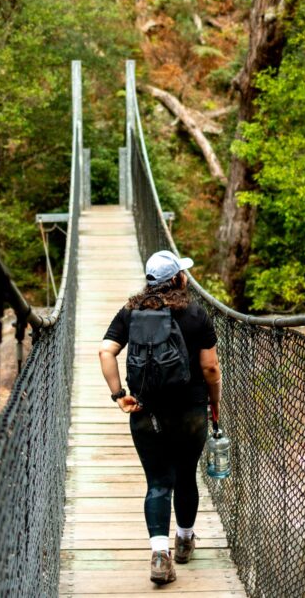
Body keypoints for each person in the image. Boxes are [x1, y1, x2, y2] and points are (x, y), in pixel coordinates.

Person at [98, 249, 222, 585]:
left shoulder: (131, 310)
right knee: (185, 475)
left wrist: (118, 395)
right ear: (179, 279)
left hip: (144, 411)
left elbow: (105, 351)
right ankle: (184, 540)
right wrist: (215, 407)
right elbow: (210, 367)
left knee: (157, 482)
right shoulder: (196, 314)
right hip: (190, 410)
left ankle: (159, 555)